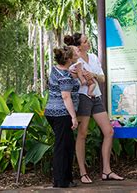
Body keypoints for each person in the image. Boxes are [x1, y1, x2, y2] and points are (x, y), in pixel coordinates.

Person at [64, 33, 124, 184]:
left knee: (109, 132)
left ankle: (107, 171)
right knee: (82, 134)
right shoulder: (74, 63)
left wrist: (93, 75)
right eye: (85, 41)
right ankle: (83, 173)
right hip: (83, 98)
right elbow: (72, 81)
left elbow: (102, 78)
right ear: (78, 47)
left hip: (96, 97)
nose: (88, 42)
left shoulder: (94, 57)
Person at [44, 45, 81, 188]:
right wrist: (73, 117)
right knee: (62, 147)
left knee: (67, 145)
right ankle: (60, 181)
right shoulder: (64, 76)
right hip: (62, 114)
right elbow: (66, 97)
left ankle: (66, 178)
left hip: (52, 112)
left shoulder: (56, 70)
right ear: (69, 59)